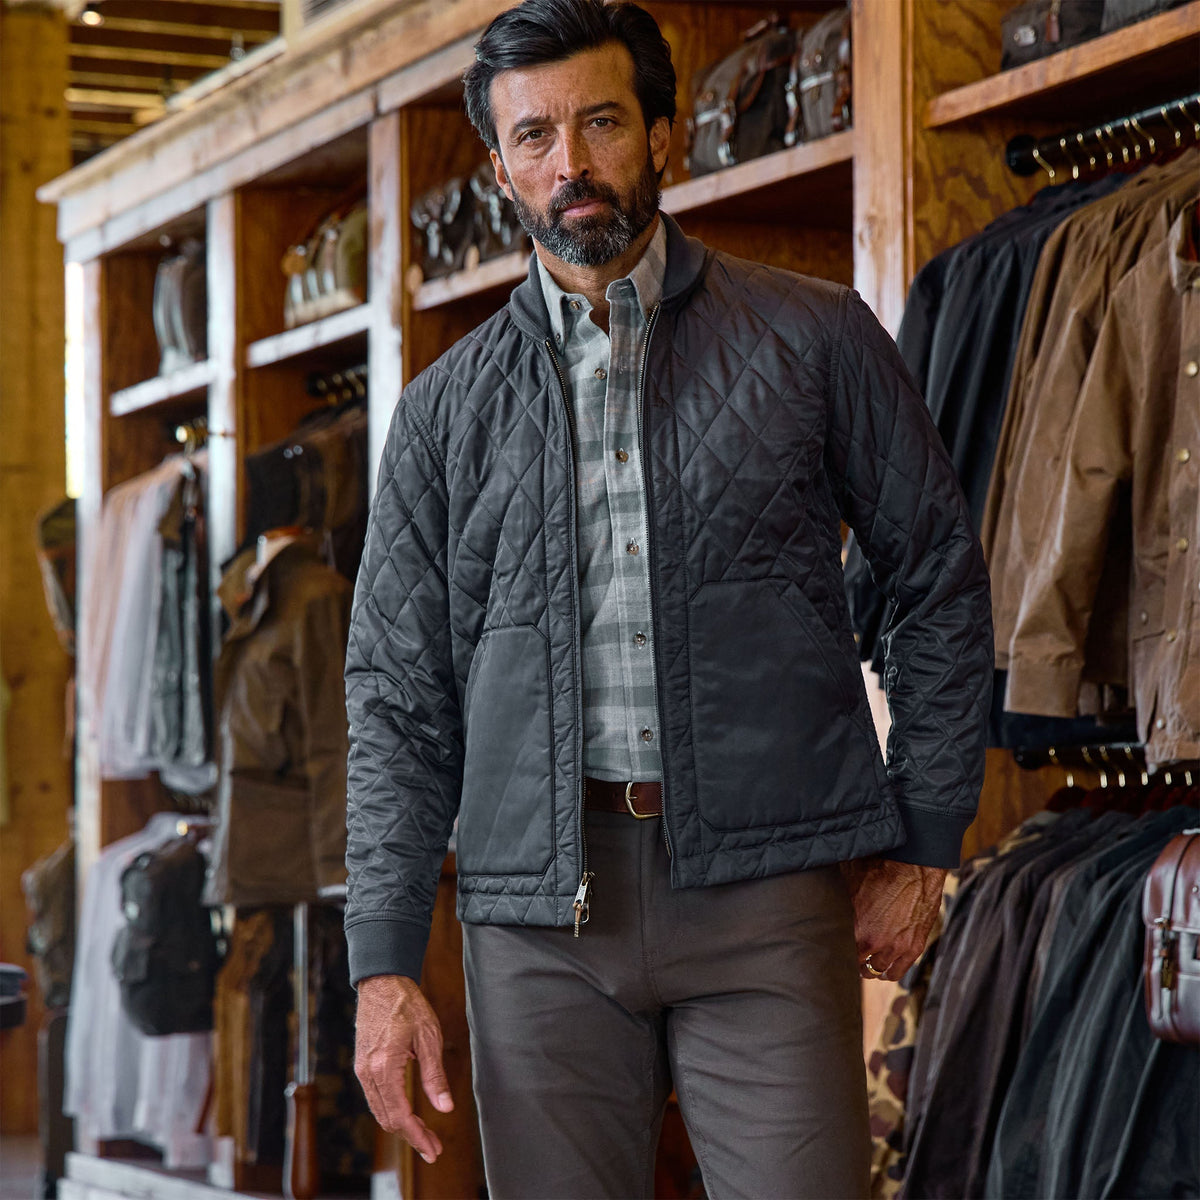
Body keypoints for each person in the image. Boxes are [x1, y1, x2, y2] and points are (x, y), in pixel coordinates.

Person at [344, 1, 993, 1196]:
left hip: (770, 893)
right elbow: (395, 698)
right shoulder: (439, 417)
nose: (571, 165)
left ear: (660, 132)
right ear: (498, 170)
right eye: (534, 137)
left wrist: (924, 837)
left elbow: (939, 580)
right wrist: (383, 962)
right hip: (537, 929)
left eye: (599, 123)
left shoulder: (815, 338)